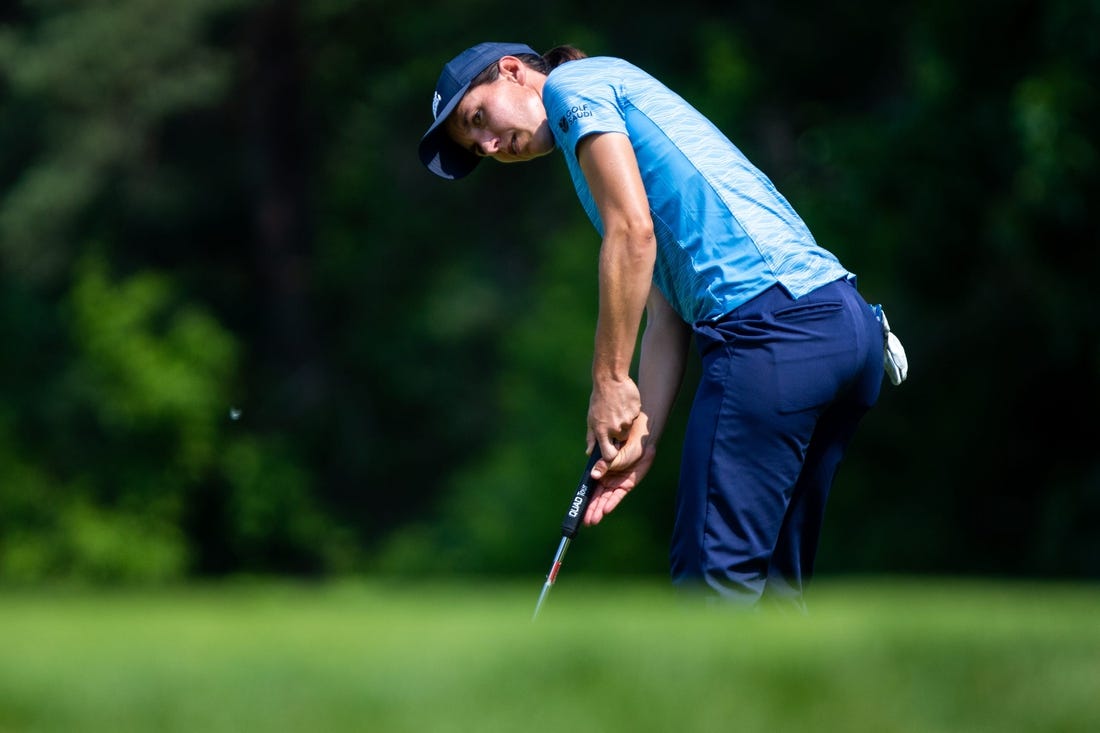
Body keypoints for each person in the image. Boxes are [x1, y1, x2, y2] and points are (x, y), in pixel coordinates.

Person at [418, 42, 906, 609]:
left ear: (512, 71)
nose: (488, 145)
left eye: (478, 118)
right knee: (773, 594)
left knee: (710, 589)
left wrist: (607, 381)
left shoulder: (573, 90)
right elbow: (666, 315)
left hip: (773, 333)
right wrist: (641, 433)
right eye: (475, 146)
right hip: (844, 330)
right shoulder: (599, 132)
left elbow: (633, 236)